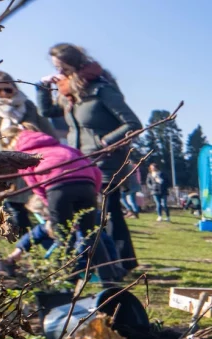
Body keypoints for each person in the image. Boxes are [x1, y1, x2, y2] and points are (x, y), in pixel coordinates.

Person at [37, 43, 142, 271]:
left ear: (75, 65)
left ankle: (119, 264)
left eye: (63, 68)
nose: (60, 73)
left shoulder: (102, 90)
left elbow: (133, 124)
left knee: (108, 212)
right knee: (91, 215)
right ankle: (106, 263)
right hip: (80, 162)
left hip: (106, 161)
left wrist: (104, 142)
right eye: (56, 68)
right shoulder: (68, 96)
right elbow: (48, 113)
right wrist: (42, 89)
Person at [0, 125, 123, 283]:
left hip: (57, 188)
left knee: (63, 237)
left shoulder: (26, 156)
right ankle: (108, 276)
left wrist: (50, 206)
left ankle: (66, 278)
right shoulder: (62, 147)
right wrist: (94, 192)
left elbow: (35, 185)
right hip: (86, 185)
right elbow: (95, 171)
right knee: (90, 234)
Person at [0, 70, 56, 237]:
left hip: (33, 162)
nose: (4, 94)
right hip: (6, 164)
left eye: (8, 89)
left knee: (39, 207)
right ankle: (25, 248)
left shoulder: (28, 105)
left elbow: (49, 133)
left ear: (14, 87)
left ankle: (39, 244)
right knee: (15, 209)